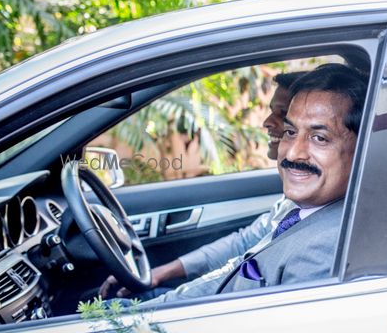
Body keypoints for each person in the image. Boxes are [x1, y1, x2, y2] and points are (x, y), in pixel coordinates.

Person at [147, 63, 367, 301]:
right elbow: (243, 251)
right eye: (290, 132)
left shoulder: (323, 250)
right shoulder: (301, 205)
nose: (293, 153)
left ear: (364, 148)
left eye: (319, 138)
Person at [99, 71, 302, 299]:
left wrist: (161, 306)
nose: (267, 122)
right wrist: (160, 274)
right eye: (271, 111)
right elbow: (243, 243)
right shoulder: (293, 201)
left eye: (282, 114)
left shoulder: (318, 224)